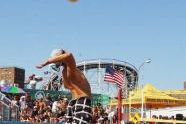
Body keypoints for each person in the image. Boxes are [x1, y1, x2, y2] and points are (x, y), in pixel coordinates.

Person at [36, 49, 92, 124]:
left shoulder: (71, 68)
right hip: (74, 101)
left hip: (82, 99)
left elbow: (69, 55)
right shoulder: (64, 71)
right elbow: (67, 86)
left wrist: (46, 62)